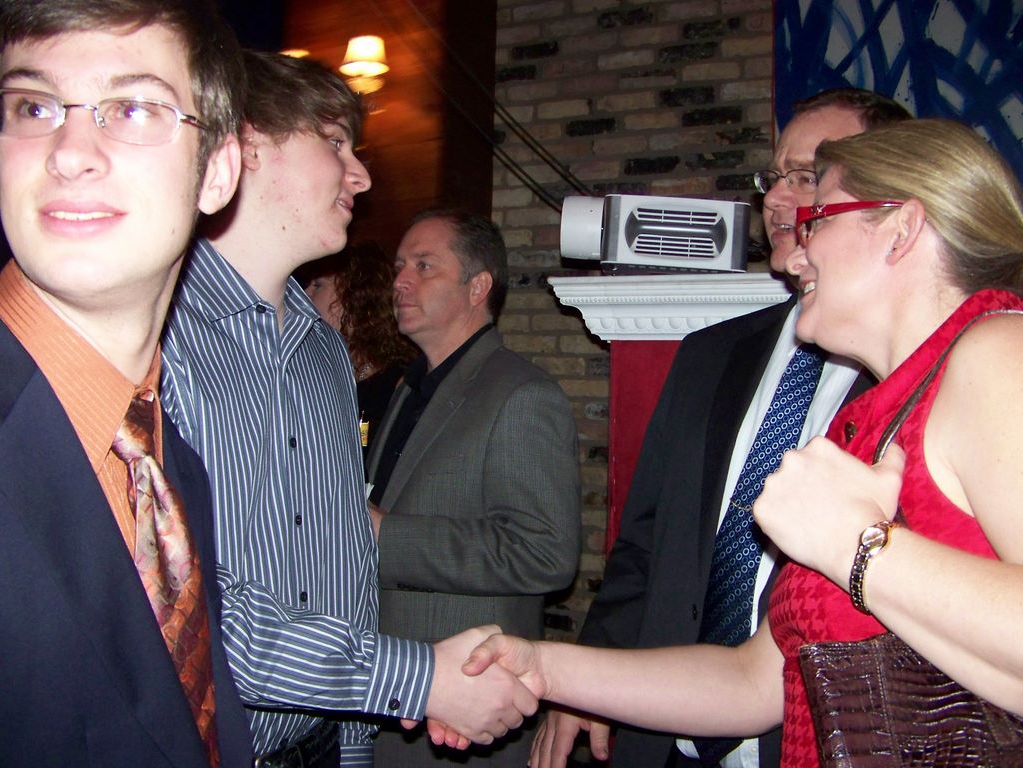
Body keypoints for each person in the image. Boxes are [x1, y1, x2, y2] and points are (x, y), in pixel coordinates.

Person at [461, 117, 1023, 766]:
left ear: (900, 229)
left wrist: (855, 544)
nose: (795, 252)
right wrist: (545, 666)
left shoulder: (995, 350)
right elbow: (753, 683)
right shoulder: (871, 425)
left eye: (819, 219)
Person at [161, 54, 536, 767]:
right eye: (335, 142)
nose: (360, 176)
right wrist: (419, 680)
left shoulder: (323, 350)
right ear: (247, 143)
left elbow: (345, 566)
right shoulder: (161, 334)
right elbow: (187, 610)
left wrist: (355, 744)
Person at [533, 88, 911, 768]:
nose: (779, 199)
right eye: (776, 177)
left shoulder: (920, 375)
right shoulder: (709, 353)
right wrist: (592, 674)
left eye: (809, 177)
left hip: (817, 737)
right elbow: (643, 544)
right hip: (666, 730)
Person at [0, 0, 253, 765]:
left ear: (217, 173)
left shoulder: (174, 468)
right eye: (33, 106)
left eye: (133, 107)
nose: (70, 152)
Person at [365, 210, 581, 767]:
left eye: (424, 266)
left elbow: (545, 553)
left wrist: (385, 536)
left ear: (478, 286)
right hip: (389, 690)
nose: (400, 281)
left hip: (466, 711)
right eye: (399, 267)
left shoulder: (521, 394)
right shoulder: (407, 388)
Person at [303, 241, 417, 459]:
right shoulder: (316, 375)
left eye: (318, 285)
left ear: (355, 298)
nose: (306, 294)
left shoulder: (400, 382)